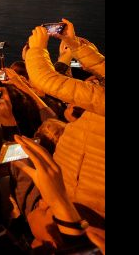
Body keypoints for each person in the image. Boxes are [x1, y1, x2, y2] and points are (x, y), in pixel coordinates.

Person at [25, 19, 104, 218]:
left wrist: (37, 49)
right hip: (77, 185)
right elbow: (102, 65)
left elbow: (45, 81)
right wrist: (74, 44)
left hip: (84, 201)